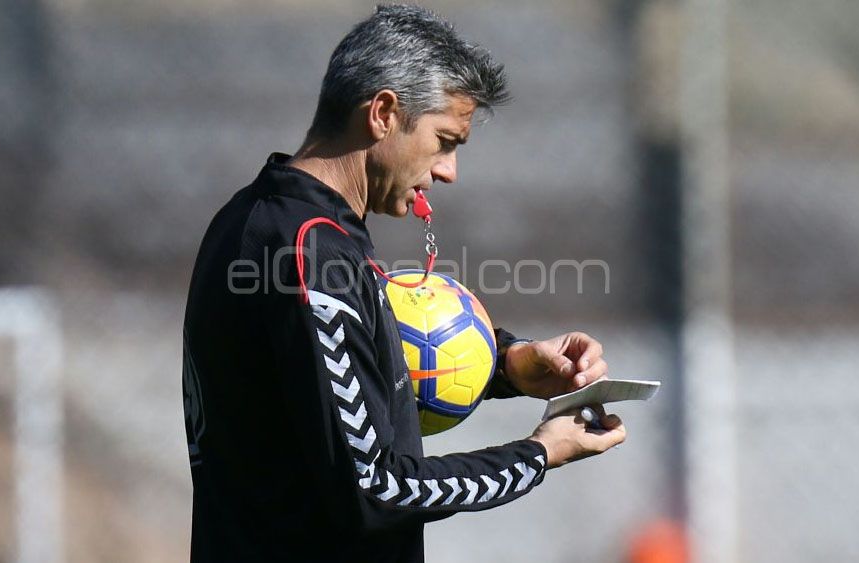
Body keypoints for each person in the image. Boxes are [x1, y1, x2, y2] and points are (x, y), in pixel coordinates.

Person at [182, 5, 626, 562]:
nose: (448, 171)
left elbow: (359, 375)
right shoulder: (306, 249)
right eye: (445, 140)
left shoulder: (270, 221)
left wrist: (509, 364)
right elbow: (378, 489)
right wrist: (538, 454)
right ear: (384, 113)